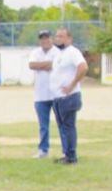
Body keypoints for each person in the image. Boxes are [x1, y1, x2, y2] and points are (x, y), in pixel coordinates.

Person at [48, 27, 87, 165]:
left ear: (69, 38)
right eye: (56, 36)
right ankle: (66, 154)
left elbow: (83, 67)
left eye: (61, 36)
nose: (57, 38)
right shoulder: (59, 54)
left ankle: (71, 156)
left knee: (68, 126)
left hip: (69, 97)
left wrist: (72, 84)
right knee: (62, 127)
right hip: (58, 97)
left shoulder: (73, 52)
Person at [27, 30, 59, 158]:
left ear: (51, 39)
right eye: (42, 39)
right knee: (43, 126)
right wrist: (47, 65)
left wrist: (41, 65)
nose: (45, 41)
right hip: (40, 95)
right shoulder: (35, 52)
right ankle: (43, 150)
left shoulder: (57, 52)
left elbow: (56, 65)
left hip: (56, 94)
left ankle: (66, 149)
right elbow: (32, 65)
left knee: (62, 124)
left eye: (47, 38)